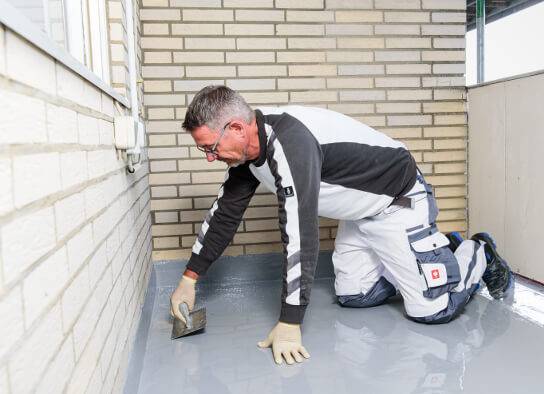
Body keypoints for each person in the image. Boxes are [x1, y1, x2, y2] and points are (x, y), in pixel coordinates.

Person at [169, 85, 512, 365]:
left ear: (237, 128)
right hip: (359, 214)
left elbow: (299, 234)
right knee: (354, 296)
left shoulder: (289, 142)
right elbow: (225, 214)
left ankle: (474, 251)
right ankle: (427, 255)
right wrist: (189, 279)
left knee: (433, 309)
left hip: (397, 201)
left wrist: (290, 321)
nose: (210, 158)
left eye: (210, 148)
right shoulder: (246, 153)